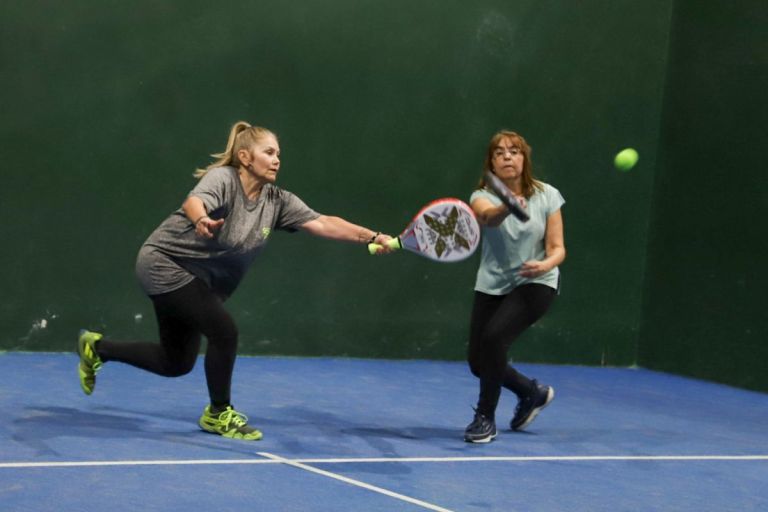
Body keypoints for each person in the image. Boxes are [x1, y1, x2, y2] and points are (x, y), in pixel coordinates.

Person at [77, 121, 393, 441]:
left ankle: (98, 348)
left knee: (175, 362)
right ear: (245, 157)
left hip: (198, 280)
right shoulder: (224, 179)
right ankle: (218, 413)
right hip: (164, 264)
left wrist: (372, 236)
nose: (276, 159)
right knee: (224, 331)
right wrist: (201, 219)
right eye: (268, 152)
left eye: (278, 154)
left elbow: (323, 223)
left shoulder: (276, 201)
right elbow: (192, 202)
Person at [464, 130, 566, 443]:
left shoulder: (548, 195)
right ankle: (530, 391)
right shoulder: (482, 196)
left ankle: (484, 418)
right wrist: (508, 205)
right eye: (500, 153)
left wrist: (545, 265)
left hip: (535, 282)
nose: (508, 157)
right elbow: (487, 218)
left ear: (525, 159)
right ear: (492, 164)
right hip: (493, 283)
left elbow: (557, 247)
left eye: (515, 151)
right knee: (479, 363)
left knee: (494, 339)